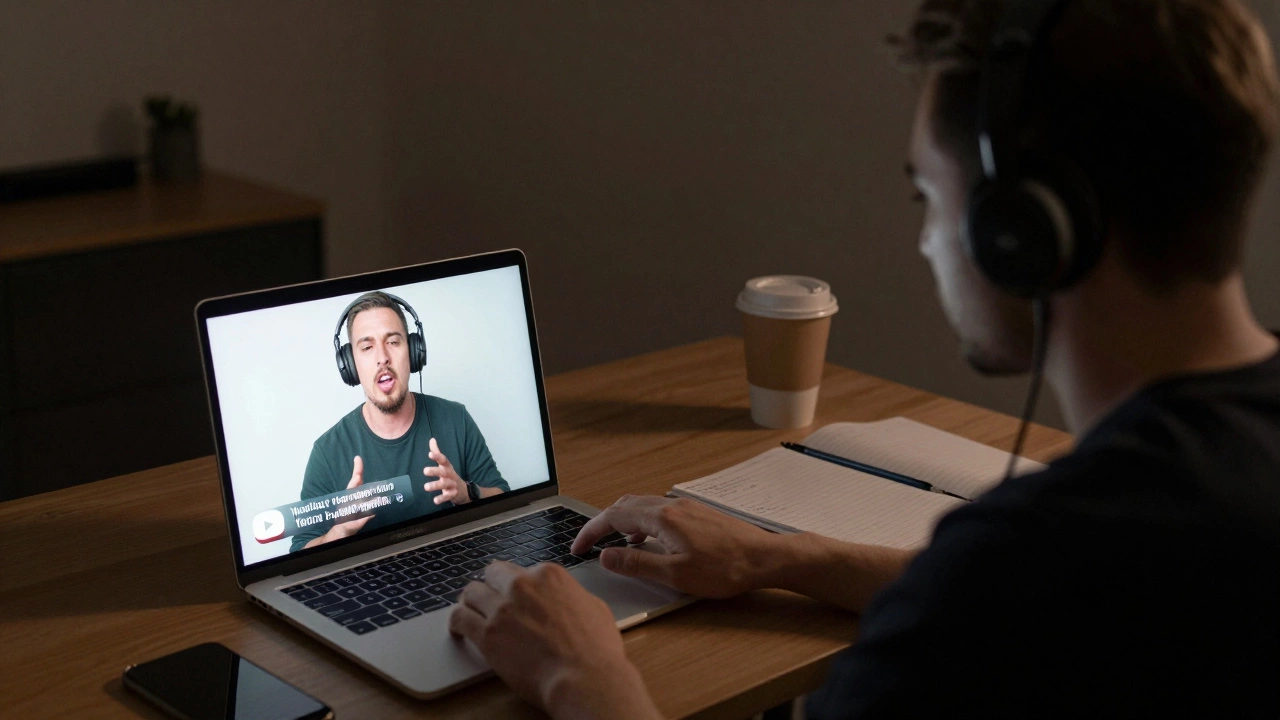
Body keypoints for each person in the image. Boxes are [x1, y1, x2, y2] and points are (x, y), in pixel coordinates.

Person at [446, 0, 1280, 717]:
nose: (924, 240)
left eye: (929, 195)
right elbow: (1091, 602)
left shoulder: (1010, 573)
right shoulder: (1120, 545)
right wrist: (782, 556)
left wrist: (578, 677)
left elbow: (1012, 593)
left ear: (1018, 230)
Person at [291, 291, 509, 552]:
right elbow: (300, 556)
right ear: (350, 365)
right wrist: (341, 530)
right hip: (371, 589)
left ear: (414, 353)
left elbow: (507, 504)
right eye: (367, 347)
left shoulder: (455, 419)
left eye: (393, 342)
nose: (382, 357)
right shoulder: (327, 452)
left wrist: (467, 493)